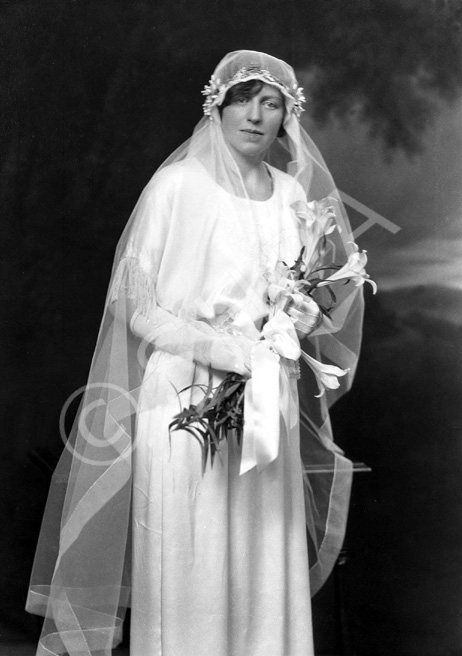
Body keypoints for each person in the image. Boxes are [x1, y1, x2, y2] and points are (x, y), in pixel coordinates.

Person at [26, 50, 366, 656]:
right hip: (185, 394)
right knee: (193, 553)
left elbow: (300, 287)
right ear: (218, 105)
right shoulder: (175, 186)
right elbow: (134, 304)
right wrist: (221, 347)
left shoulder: (292, 195)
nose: (256, 116)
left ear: (288, 116)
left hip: (267, 399)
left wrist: (298, 317)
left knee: (263, 549)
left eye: (271, 103)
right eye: (244, 99)